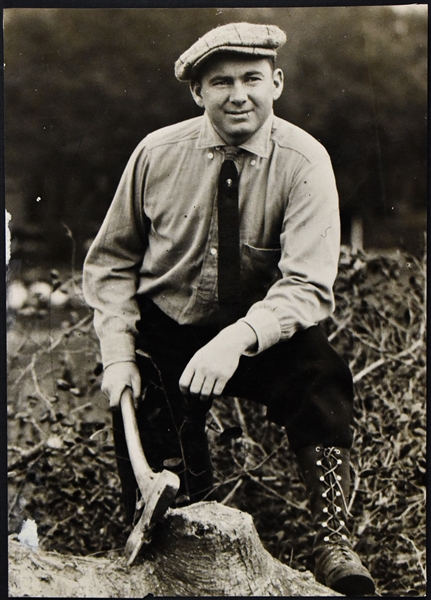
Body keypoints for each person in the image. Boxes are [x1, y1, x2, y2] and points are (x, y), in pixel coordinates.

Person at [83, 22, 375, 596]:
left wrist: (238, 337)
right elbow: (111, 262)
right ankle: (176, 541)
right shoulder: (155, 154)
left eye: (252, 79)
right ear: (198, 93)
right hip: (170, 330)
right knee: (172, 480)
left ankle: (332, 539)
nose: (238, 94)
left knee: (322, 374)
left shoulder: (305, 161)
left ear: (278, 83)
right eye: (220, 82)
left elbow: (310, 285)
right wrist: (118, 356)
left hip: (264, 334)